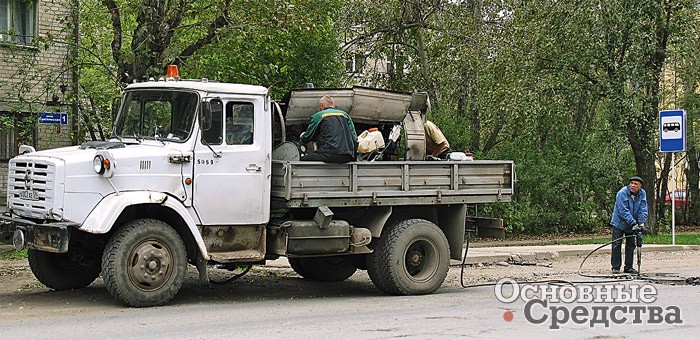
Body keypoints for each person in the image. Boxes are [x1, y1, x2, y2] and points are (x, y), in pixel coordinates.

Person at [300, 96, 357, 163]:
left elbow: (307, 136)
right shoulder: (345, 115)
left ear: (322, 106)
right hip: (347, 156)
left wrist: (302, 137)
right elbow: (355, 139)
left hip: (328, 154)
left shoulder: (319, 115)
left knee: (304, 158)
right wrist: (353, 156)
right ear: (333, 105)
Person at [610, 176, 648, 274]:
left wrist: (641, 222)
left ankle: (628, 266)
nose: (633, 185)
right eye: (631, 183)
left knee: (631, 245)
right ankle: (616, 267)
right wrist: (633, 223)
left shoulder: (642, 194)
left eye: (636, 184)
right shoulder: (622, 193)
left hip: (633, 223)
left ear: (640, 186)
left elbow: (643, 208)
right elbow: (623, 211)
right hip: (619, 223)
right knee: (616, 244)